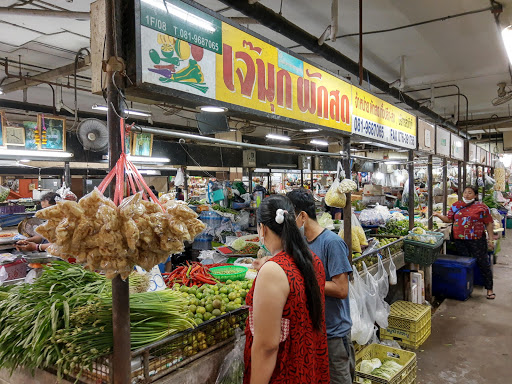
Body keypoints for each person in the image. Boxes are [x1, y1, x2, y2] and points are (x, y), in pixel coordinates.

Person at [244, 195, 329, 384]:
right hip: (308, 365)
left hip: (285, 372)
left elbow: (267, 346)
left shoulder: (272, 272)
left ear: (262, 229)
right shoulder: (312, 261)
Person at [287, 188, 354, 383]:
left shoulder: (331, 243)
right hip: (312, 330)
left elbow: (341, 289)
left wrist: (302, 282)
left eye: (290, 218)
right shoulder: (301, 244)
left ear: (302, 216)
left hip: (333, 332)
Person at [434, 186, 496, 299]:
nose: (467, 195)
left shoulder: (482, 207)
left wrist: (490, 239)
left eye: (470, 193)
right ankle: (467, 286)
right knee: (465, 263)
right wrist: (438, 215)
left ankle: (489, 289)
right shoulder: (456, 205)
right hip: (459, 240)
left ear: (475, 195)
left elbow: (489, 223)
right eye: (465, 192)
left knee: (483, 263)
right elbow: (449, 219)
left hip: (476, 240)